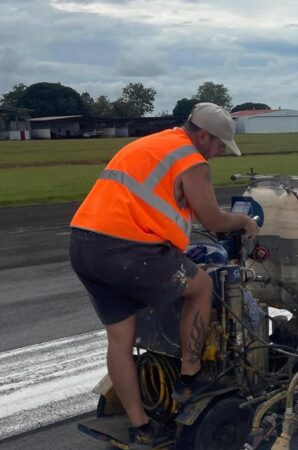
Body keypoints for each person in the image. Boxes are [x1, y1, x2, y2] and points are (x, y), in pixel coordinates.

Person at [69, 102, 259, 448]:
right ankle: (190, 376)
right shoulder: (192, 160)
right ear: (203, 135)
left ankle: (143, 426)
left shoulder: (151, 145)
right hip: (128, 252)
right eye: (219, 146)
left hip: (85, 246)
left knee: (120, 341)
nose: (219, 153)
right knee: (201, 286)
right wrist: (245, 221)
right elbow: (213, 220)